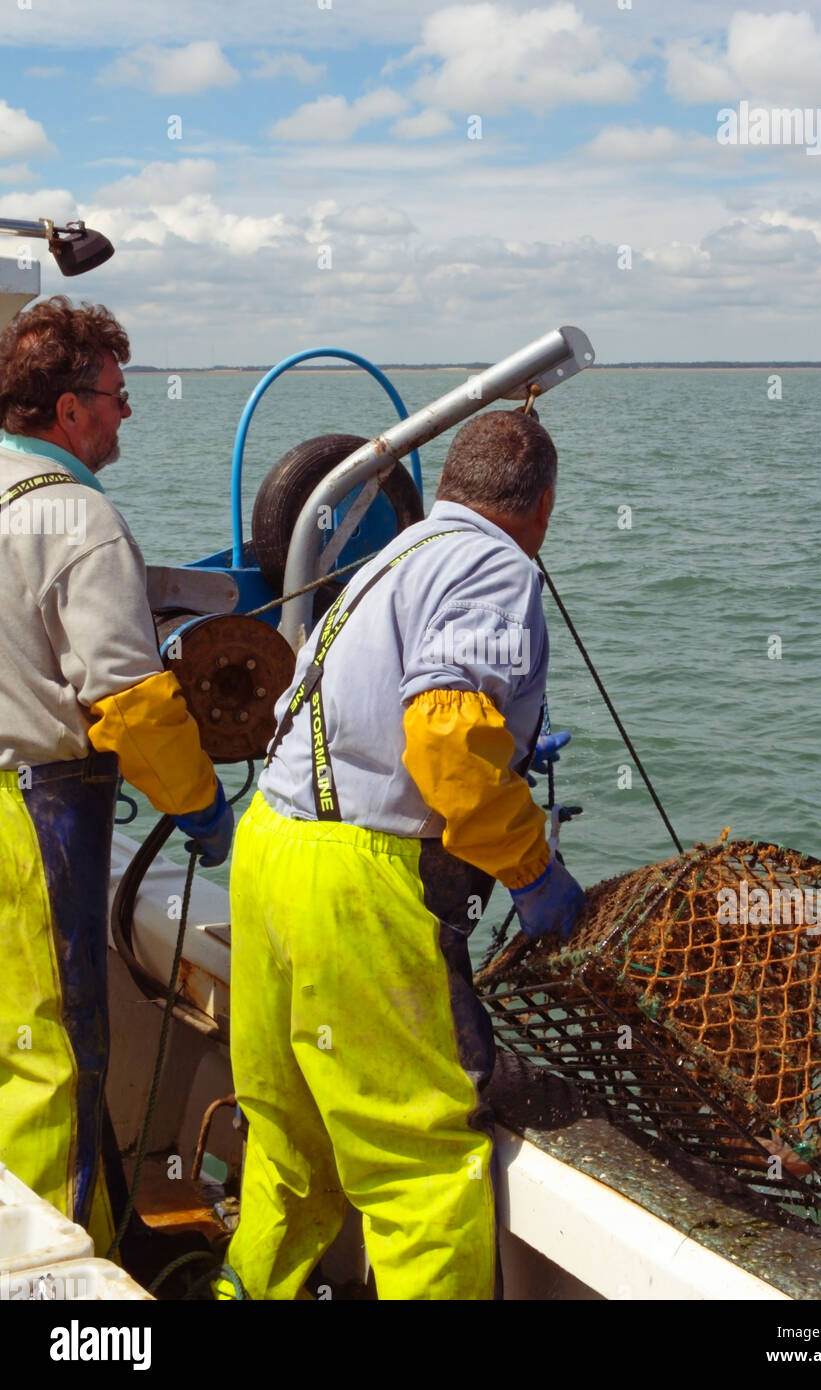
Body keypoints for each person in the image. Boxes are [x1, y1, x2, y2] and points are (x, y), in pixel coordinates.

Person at [218, 407, 586, 1301]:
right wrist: (532, 870)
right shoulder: (498, 563)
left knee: (288, 1134)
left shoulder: (392, 554)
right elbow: (447, 738)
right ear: (538, 505)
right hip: (359, 884)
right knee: (420, 1163)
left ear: (451, 488)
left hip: (269, 852)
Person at [0, 296, 234, 1259]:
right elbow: (130, 702)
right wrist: (202, 805)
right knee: (52, 1054)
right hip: (34, 813)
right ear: (67, 412)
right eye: (115, 395)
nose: (127, 412)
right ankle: (54, 1287)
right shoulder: (79, 521)